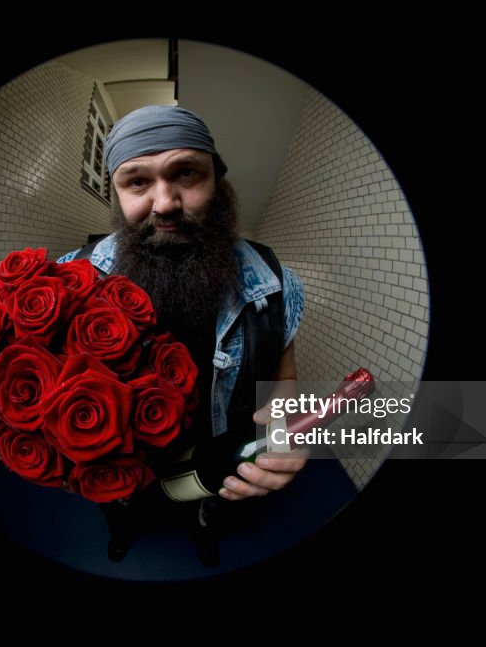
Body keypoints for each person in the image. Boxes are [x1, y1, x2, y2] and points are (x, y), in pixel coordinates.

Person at [57, 105, 307, 565]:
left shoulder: (275, 284)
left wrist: (284, 434)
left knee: (204, 512)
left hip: (212, 463)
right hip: (124, 470)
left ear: (218, 180)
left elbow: (283, 381)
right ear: (116, 192)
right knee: (123, 510)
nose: (165, 203)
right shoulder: (68, 280)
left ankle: (203, 533)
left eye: (186, 173)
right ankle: (123, 529)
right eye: (137, 182)